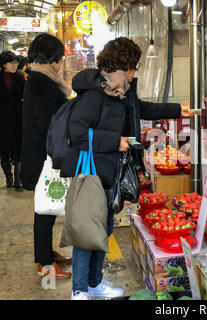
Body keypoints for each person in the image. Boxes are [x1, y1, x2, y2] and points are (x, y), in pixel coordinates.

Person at [59, 37, 194, 300]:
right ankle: (79, 290)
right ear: (123, 66)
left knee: (104, 229)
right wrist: (114, 140)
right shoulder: (95, 95)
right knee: (87, 231)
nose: (135, 73)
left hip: (112, 172)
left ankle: (95, 284)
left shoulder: (123, 91)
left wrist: (178, 109)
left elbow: (141, 109)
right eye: (133, 67)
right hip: (91, 172)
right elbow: (77, 133)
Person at [21, 33, 73, 279]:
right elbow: (48, 121)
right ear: (52, 59)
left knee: (48, 207)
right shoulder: (40, 82)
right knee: (45, 209)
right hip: (43, 156)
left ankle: (47, 254)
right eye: (60, 59)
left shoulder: (38, 78)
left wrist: (63, 87)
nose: (60, 64)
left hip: (42, 154)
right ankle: (44, 263)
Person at [0, 51, 25, 191]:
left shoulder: (20, 78)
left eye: (16, 63)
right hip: (2, 120)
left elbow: (24, 96)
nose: (15, 66)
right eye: (12, 63)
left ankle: (18, 181)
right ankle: (8, 178)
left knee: (18, 149)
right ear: (4, 64)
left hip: (17, 118)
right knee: (3, 150)